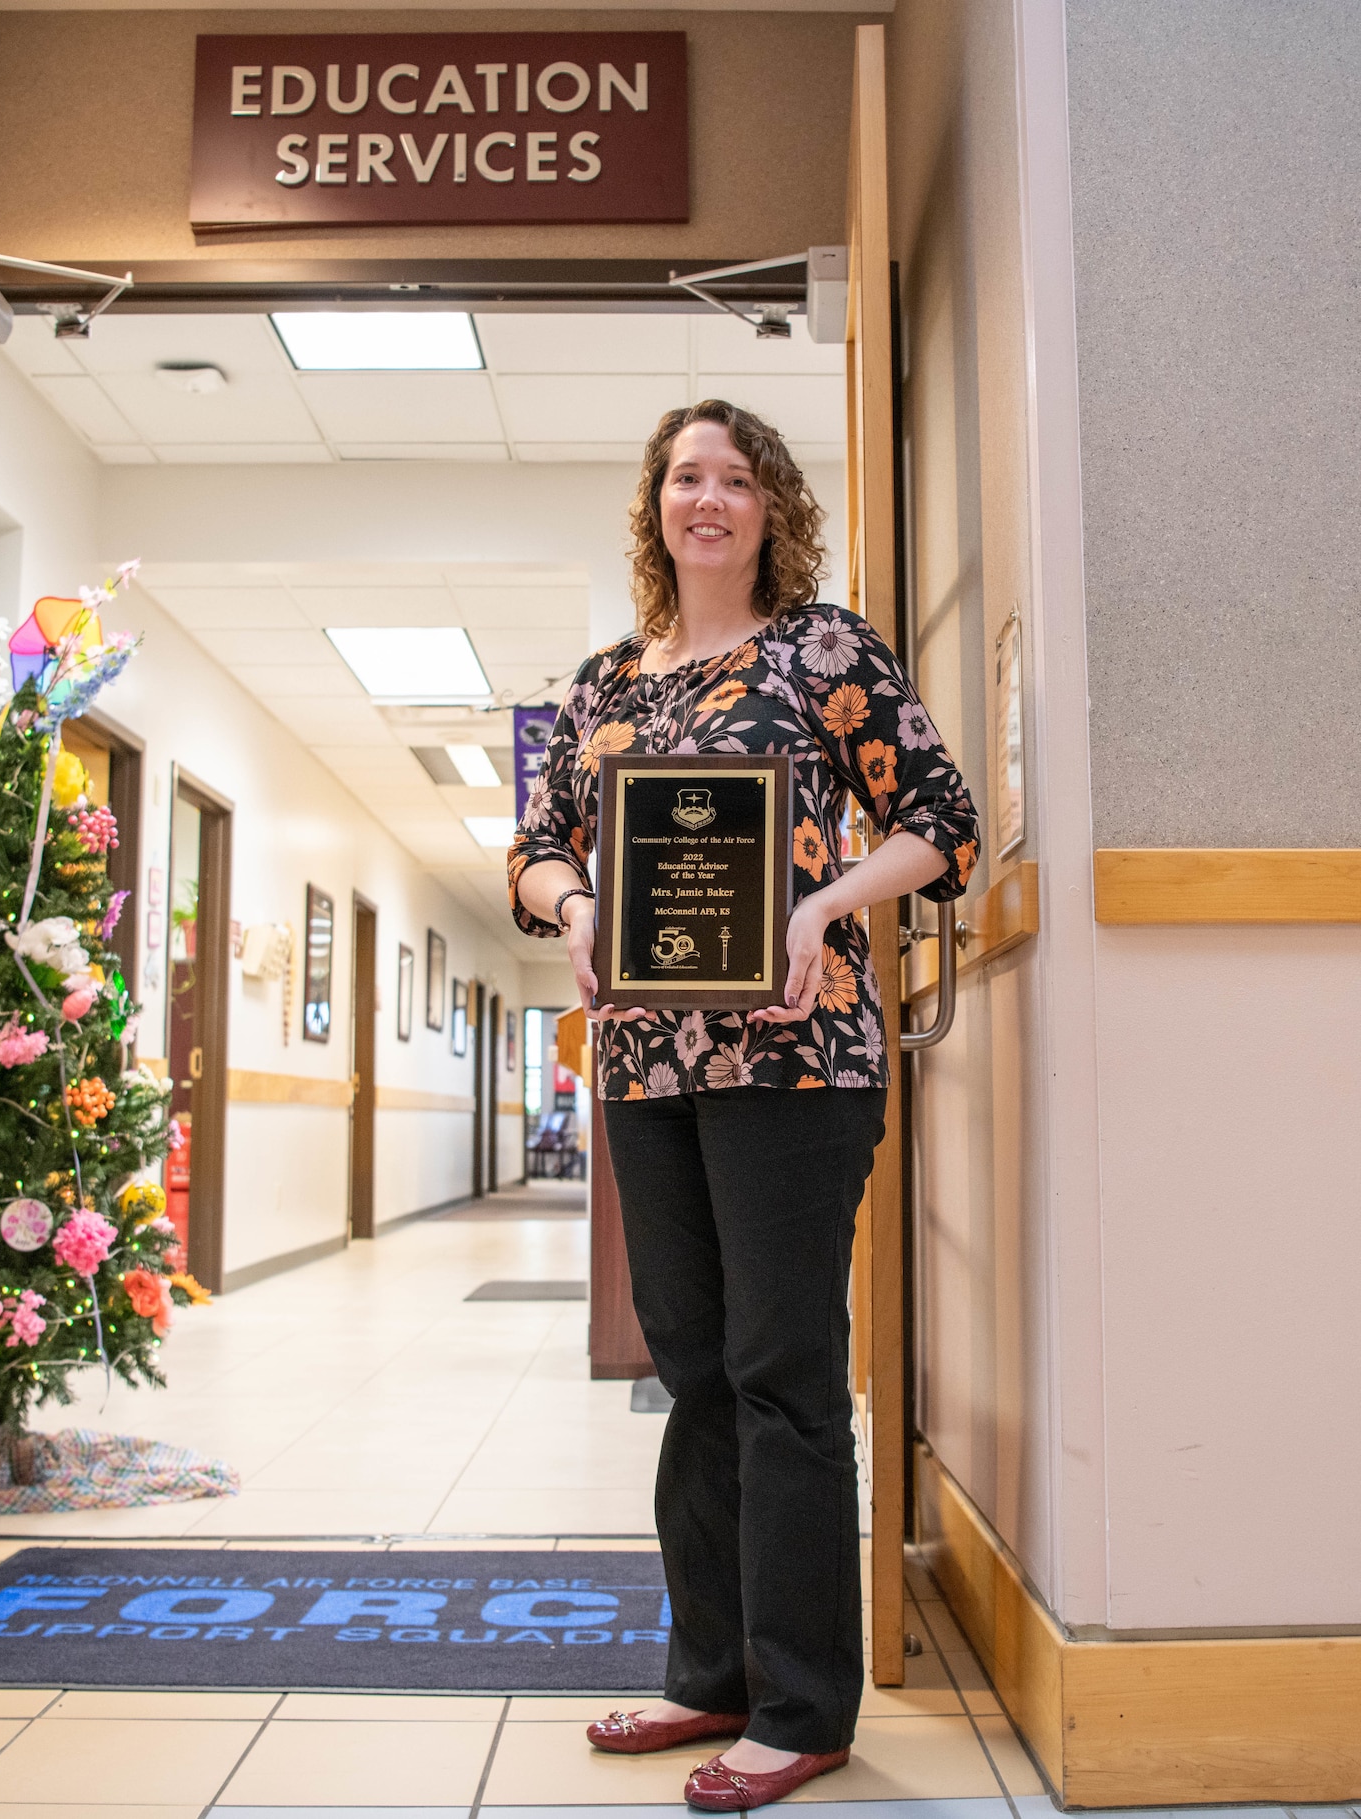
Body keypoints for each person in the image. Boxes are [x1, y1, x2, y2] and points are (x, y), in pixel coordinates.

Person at [508, 400, 978, 1812]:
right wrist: (580, 904)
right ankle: (706, 1671)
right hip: (646, 1071)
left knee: (781, 1373)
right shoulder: (605, 684)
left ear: (770, 505)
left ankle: (800, 1705)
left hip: (797, 1061)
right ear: (656, 506)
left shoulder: (822, 649)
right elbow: (535, 850)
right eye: (683, 477)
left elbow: (939, 821)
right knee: (694, 1371)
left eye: (733, 477)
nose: (706, 498)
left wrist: (823, 907)